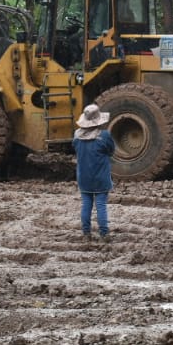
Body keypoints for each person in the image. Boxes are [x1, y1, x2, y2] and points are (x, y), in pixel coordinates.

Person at [73, 104, 115, 242]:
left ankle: (86, 234)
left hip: (83, 177)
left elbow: (76, 149)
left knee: (86, 204)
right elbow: (111, 151)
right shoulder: (104, 136)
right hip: (101, 176)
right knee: (101, 205)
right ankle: (104, 234)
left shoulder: (77, 136)